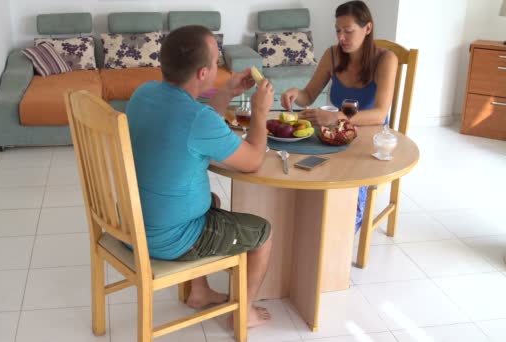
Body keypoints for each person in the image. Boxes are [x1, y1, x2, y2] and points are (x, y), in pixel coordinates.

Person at [126, 25, 275, 328]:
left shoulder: (144, 94)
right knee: (262, 233)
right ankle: (243, 313)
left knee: (213, 200)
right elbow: (253, 160)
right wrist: (260, 113)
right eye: (216, 60)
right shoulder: (198, 120)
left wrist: (225, 93)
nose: (218, 65)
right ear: (203, 73)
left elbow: (193, 121)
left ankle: (200, 291)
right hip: (169, 239)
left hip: (131, 223)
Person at [280, 0, 398, 231]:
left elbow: (380, 113)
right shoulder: (332, 55)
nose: (341, 37)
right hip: (334, 135)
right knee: (297, 166)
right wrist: (296, 94)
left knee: (347, 193)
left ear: (368, 28)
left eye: (348, 31)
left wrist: (338, 118)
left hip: (369, 139)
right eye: (338, 31)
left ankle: (340, 234)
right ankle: (309, 225)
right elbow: (309, 95)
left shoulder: (386, 60)